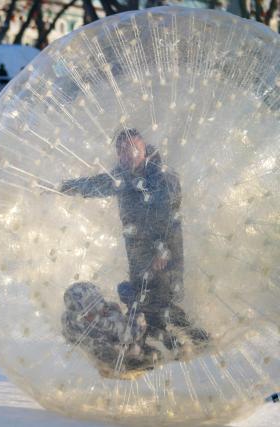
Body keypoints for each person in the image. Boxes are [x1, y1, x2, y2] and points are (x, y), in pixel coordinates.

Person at [58, 129, 209, 371]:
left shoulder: (162, 177)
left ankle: (183, 349)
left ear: (144, 149)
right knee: (151, 303)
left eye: (131, 150)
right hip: (138, 253)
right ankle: (191, 343)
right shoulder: (123, 175)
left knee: (158, 304)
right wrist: (66, 187)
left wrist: (162, 250)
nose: (126, 155)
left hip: (162, 253)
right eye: (121, 151)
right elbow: (98, 183)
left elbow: (169, 216)